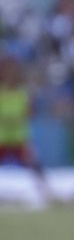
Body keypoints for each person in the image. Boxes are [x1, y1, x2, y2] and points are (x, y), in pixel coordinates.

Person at [0, 56, 55, 206]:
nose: (10, 74)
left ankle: (47, 194)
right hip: (2, 137)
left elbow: (29, 113)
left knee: (34, 164)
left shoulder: (22, 93)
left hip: (19, 136)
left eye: (12, 71)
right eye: (6, 71)